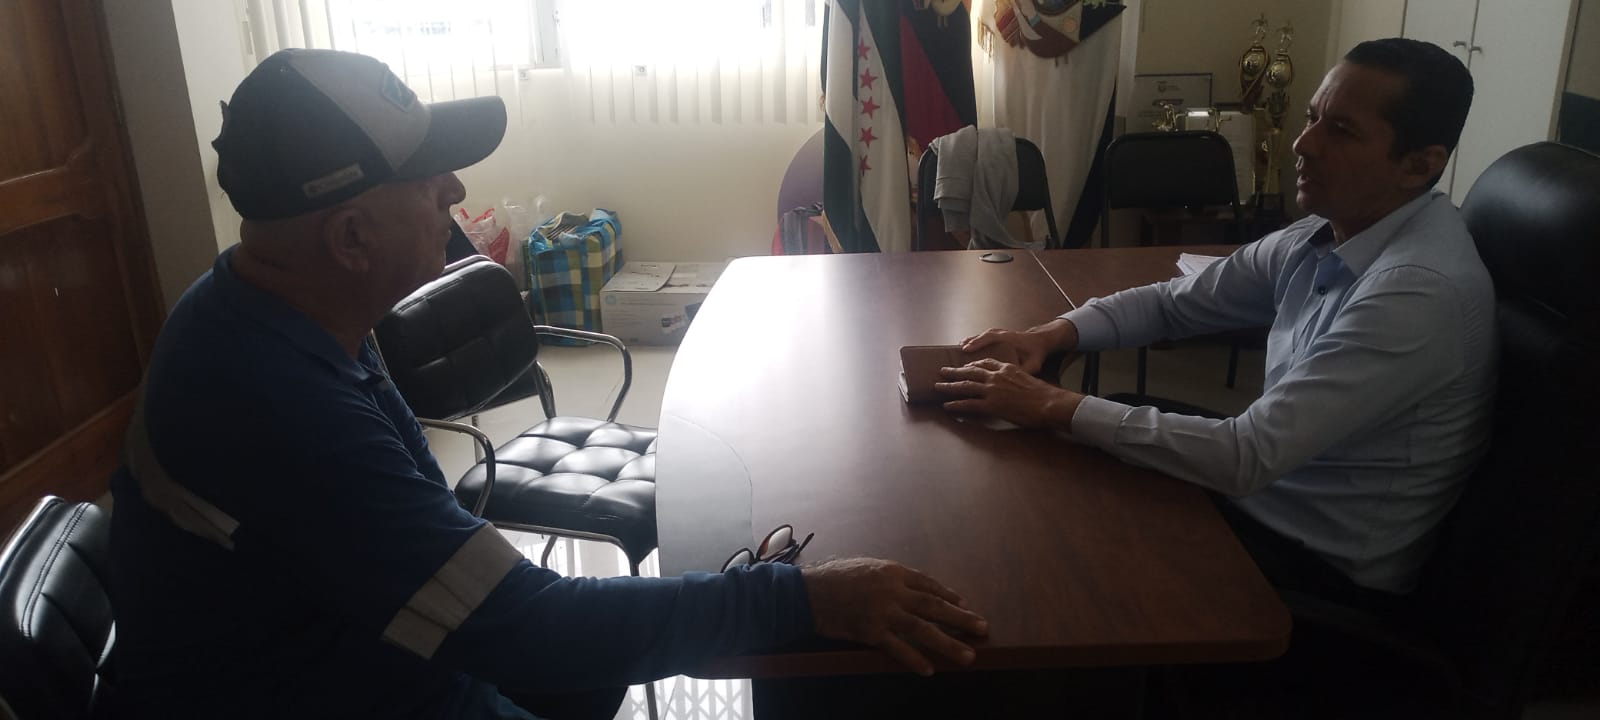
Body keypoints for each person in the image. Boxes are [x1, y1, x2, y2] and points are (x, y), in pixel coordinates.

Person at [107, 49, 987, 720]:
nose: (456, 188)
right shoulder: (272, 402)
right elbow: (522, 628)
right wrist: (800, 598)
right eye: (427, 179)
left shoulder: (279, 312)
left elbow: (459, 578)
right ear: (350, 238)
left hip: (385, 663)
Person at [937, 38, 1493, 606]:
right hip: (1269, 494)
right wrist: (1050, 334)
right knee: (1058, 466)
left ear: (1419, 165)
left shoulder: (1417, 292)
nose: (1304, 144)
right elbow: (1172, 304)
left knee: (1047, 541)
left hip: (1316, 567)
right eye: (1312, 118)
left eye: (1342, 131)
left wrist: (1049, 403)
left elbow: (1244, 457)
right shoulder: (1329, 229)